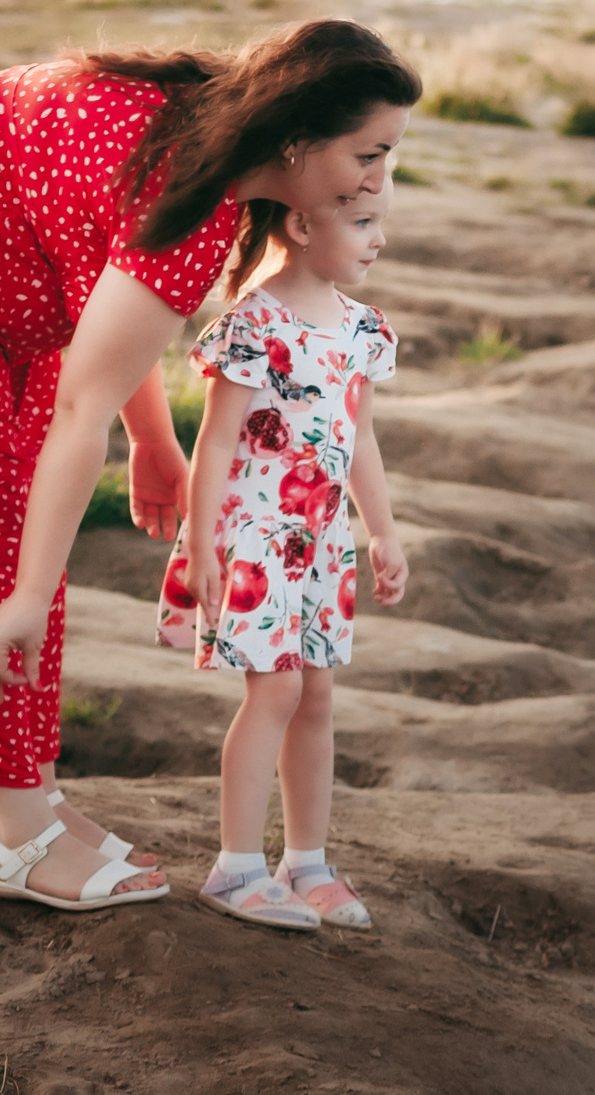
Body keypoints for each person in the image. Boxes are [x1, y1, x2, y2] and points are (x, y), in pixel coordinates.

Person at [0, 19, 418, 912]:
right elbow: (82, 405)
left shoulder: (202, 139)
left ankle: (25, 790)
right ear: (296, 137)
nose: (379, 181)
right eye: (370, 152)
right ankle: (17, 835)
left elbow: (97, 302)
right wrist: (22, 597)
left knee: (15, 505)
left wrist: (158, 443)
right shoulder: (194, 192)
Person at [155, 187, 406, 930]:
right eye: (363, 223)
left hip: (322, 541)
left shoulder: (363, 328)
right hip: (259, 536)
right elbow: (219, 440)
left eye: (379, 223)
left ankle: (307, 861)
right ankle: (236, 866)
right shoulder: (254, 323)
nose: (378, 239)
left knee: (317, 696)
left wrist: (382, 530)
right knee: (276, 693)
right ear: (300, 223)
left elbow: (359, 438)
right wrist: (200, 541)